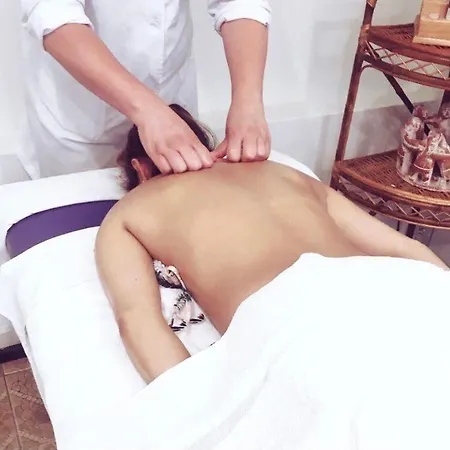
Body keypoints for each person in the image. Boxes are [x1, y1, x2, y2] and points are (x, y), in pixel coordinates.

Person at [95, 104, 449, 384]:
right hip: (396, 291)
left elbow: (136, 321)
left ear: (140, 168)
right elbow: (406, 249)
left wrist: (197, 412)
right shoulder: (282, 171)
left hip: (297, 322)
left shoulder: (130, 211)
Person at [20, 0, 271, 179]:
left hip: (173, 100)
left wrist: (248, 100)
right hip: (83, 121)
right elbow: (53, 13)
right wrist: (149, 111)